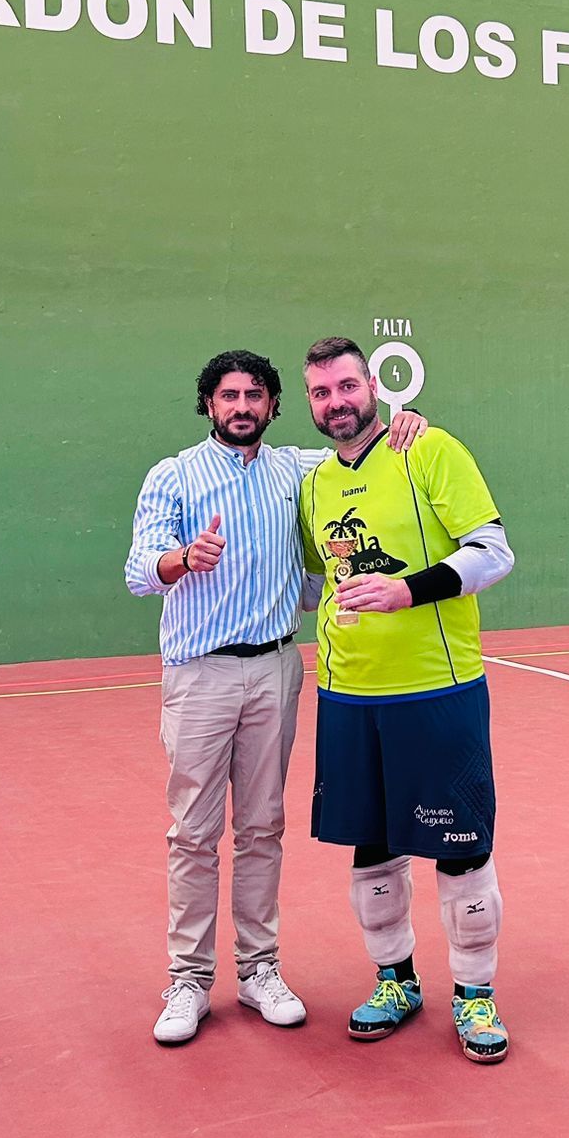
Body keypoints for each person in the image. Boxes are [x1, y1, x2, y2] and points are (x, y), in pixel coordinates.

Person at [126, 349, 423, 1046]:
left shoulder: (300, 471)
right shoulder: (174, 475)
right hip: (199, 673)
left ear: (272, 405)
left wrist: (409, 422)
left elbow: (363, 450)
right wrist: (182, 560)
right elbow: (141, 569)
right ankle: (188, 983)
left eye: (253, 395)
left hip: (275, 670)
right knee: (193, 833)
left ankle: (260, 971)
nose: (241, 406)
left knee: (262, 826)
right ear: (209, 405)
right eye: (228, 395)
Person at [298, 336, 515, 1063]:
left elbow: (493, 550)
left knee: (461, 845)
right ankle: (395, 981)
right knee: (372, 846)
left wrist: (407, 591)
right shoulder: (314, 483)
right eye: (322, 393)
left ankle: (475, 993)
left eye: (347, 386)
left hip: (438, 686)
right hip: (350, 693)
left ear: (373, 387)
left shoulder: (428, 449)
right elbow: (318, 579)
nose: (337, 402)